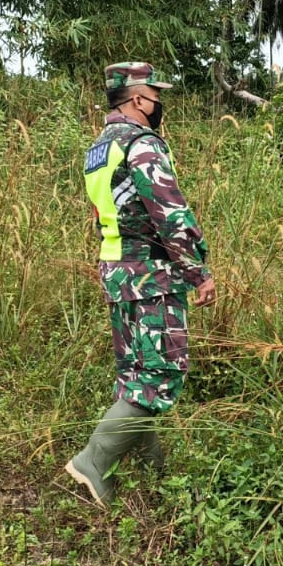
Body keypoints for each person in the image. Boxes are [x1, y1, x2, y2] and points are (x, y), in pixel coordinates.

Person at [66, 62, 215, 506]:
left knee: (136, 371)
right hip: (151, 275)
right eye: (153, 95)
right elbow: (169, 215)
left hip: (117, 269)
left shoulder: (99, 146)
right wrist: (198, 272)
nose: (157, 103)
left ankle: (151, 466)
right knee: (159, 373)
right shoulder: (142, 144)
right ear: (136, 100)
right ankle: (92, 461)